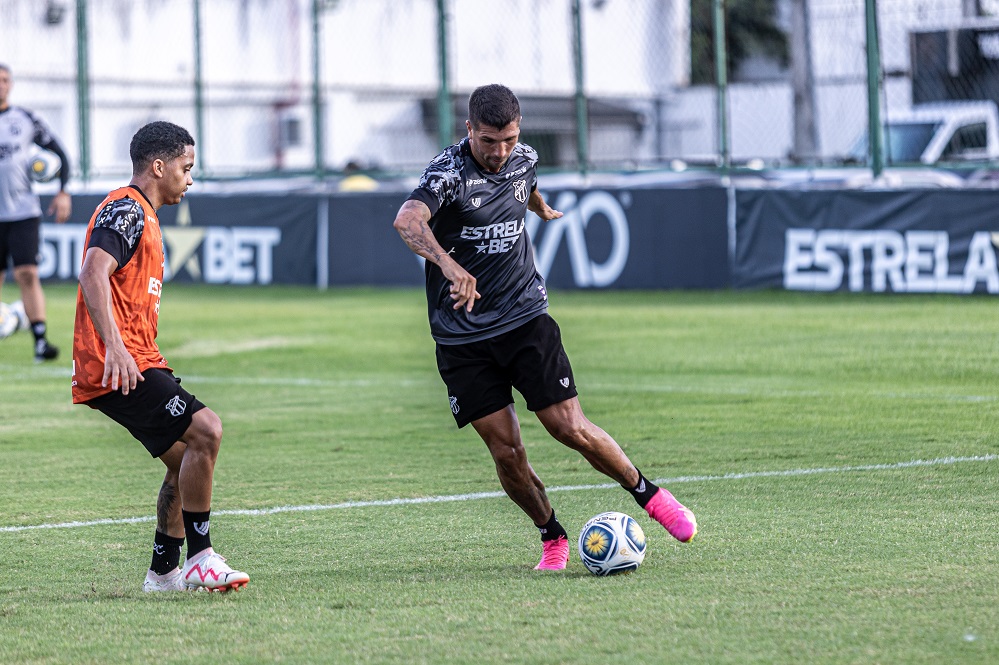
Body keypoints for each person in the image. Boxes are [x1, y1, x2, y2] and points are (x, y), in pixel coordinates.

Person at [392, 84, 697, 571]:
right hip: (461, 338)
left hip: (524, 318)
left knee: (568, 427)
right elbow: (408, 220)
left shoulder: (524, 158)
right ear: (469, 130)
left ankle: (651, 496)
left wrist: (537, 205)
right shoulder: (447, 174)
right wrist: (451, 268)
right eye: (489, 140)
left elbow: (522, 183)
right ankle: (552, 536)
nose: (500, 152)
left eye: (509, 139)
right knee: (508, 453)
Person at [73, 121, 249, 593]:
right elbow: (92, 273)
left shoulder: (145, 216)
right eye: (186, 168)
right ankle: (202, 559)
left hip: (134, 360)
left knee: (186, 460)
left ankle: (164, 572)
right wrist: (115, 347)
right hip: (119, 365)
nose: (189, 179)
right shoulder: (127, 208)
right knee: (206, 430)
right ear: (158, 166)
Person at [0, 63, 71, 362]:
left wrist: (63, 190)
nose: (1, 84)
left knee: (27, 272)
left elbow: (61, 155)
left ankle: (40, 341)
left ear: (11, 84)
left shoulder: (25, 119)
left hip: (23, 212)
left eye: (4, 79)